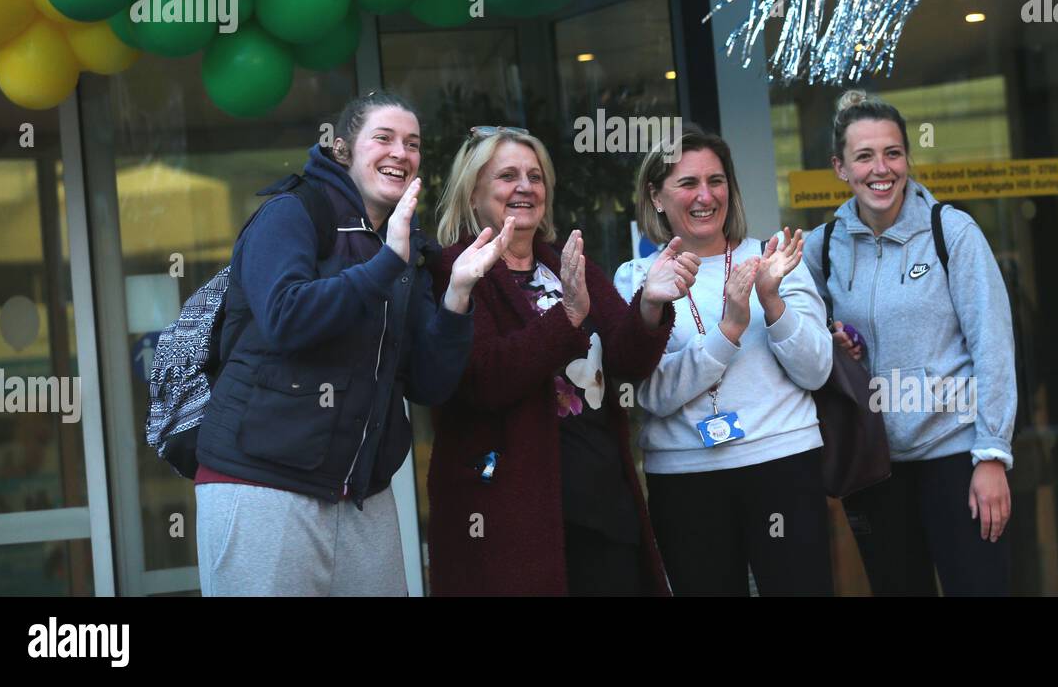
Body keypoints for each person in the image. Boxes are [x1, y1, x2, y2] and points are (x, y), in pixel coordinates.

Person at [194, 90, 506, 596]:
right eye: (383, 138)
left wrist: (457, 298)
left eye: (412, 144)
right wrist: (386, 263)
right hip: (260, 485)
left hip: (362, 496)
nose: (400, 153)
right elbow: (285, 318)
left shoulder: (410, 245)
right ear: (342, 149)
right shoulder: (292, 214)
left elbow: (429, 384)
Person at [428, 126, 698, 596]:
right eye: (507, 175)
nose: (525, 187)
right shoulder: (455, 270)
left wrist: (650, 304)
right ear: (473, 193)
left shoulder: (566, 263)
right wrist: (567, 319)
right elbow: (484, 378)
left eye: (536, 176)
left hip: (601, 501)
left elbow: (627, 360)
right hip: (511, 519)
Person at [802, 90, 1017, 596]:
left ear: (907, 158)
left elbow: (994, 346)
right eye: (864, 156)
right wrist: (830, 339)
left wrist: (991, 454)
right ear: (840, 167)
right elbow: (796, 333)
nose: (882, 168)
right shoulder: (824, 247)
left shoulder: (952, 232)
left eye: (893, 153)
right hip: (874, 468)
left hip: (956, 458)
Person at [616, 126, 834, 597]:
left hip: (783, 464)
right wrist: (730, 329)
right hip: (685, 479)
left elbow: (816, 369)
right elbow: (651, 394)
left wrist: (772, 302)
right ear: (655, 196)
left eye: (716, 181)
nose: (705, 196)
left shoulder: (773, 260)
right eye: (687, 183)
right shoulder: (637, 279)